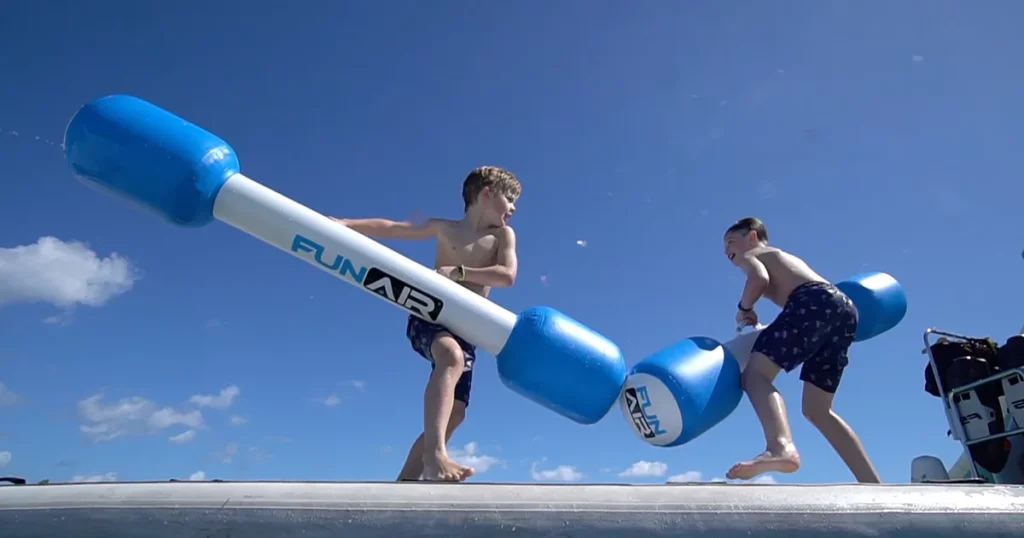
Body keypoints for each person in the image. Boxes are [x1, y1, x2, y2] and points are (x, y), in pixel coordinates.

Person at [330, 166, 521, 482]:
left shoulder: (501, 236)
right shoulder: (444, 228)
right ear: (486, 192)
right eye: (509, 199)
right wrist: (346, 224)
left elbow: (507, 275)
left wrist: (458, 272)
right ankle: (435, 456)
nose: (513, 208)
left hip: (467, 328)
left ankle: (405, 481)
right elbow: (394, 228)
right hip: (430, 314)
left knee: (456, 412)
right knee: (451, 357)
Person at [722, 217, 881, 483]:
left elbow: (758, 279)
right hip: (843, 311)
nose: (728, 252)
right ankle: (872, 482)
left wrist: (744, 309)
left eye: (730, 242)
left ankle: (779, 447)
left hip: (812, 301)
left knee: (753, 375)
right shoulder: (782, 258)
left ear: (752, 236)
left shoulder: (754, 253)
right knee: (818, 410)